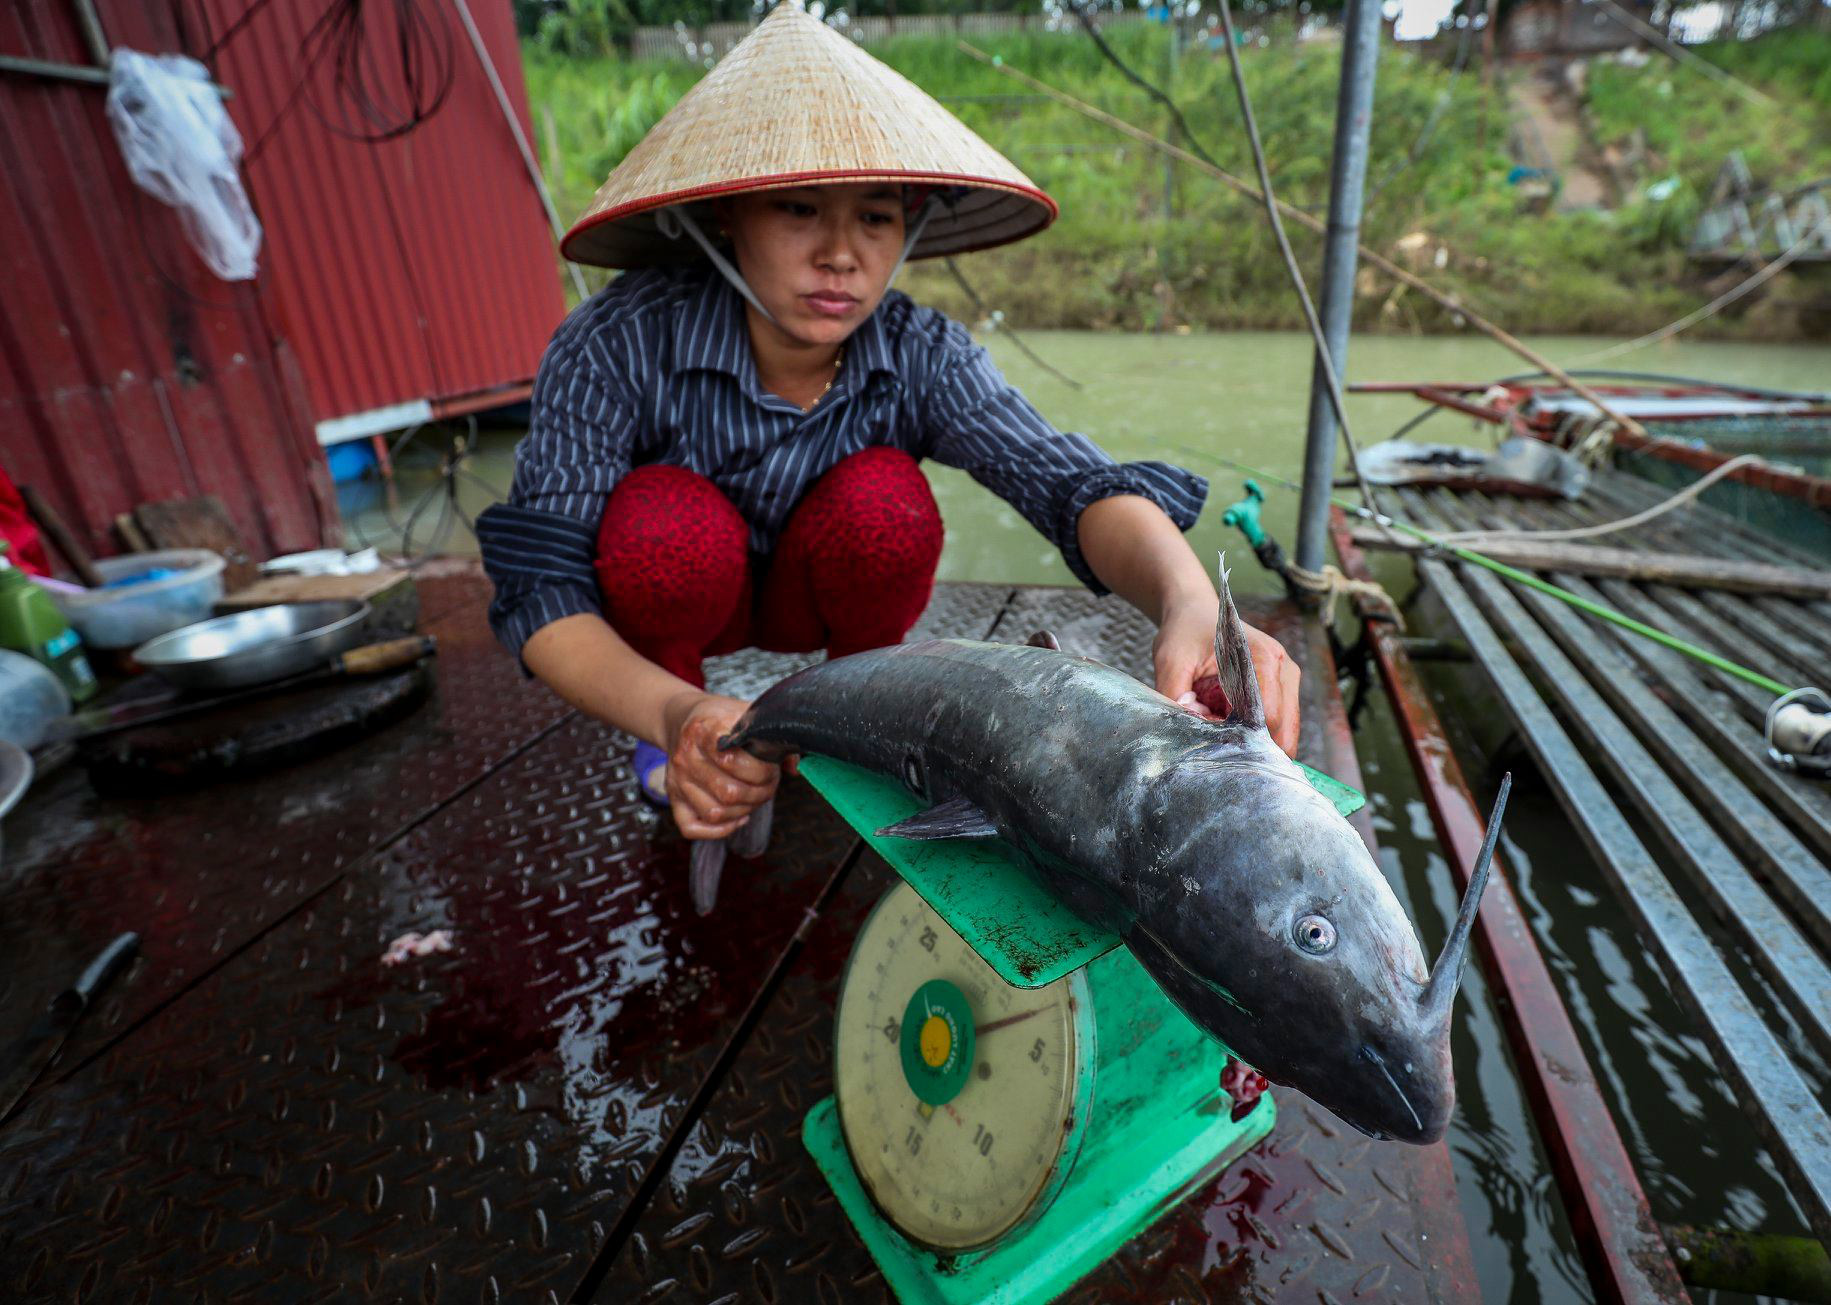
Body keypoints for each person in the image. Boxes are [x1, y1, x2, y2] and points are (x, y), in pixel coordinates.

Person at [477, 3, 1299, 853]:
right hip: (677, 617)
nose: (842, 253)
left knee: (885, 501)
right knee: (659, 519)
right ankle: (680, 735)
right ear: (725, 217)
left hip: (826, 604)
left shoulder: (918, 350)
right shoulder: (616, 339)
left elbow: (1064, 481)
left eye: (875, 217)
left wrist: (1191, 601)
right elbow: (541, 590)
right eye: (798, 208)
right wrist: (675, 708)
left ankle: (858, 714)